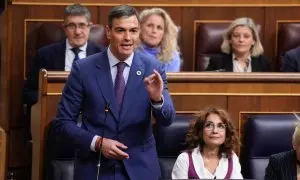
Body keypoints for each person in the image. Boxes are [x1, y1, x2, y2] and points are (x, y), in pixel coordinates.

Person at [51, 4, 176, 180]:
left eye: (133, 31)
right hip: (96, 168)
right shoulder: (84, 69)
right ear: (108, 32)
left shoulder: (152, 68)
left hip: (139, 169)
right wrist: (98, 143)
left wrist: (157, 99)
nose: (127, 38)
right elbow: (63, 123)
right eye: (120, 30)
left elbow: (167, 119)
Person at [24, 3, 102, 106]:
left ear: (89, 27)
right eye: (71, 26)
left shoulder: (102, 55)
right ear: (64, 28)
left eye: (82, 25)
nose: (77, 31)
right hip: (56, 112)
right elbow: (30, 92)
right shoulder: (45, 55)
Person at [172, 107, 243, 179]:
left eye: (220, 126)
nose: (215, 131)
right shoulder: (184, 159)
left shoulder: (232, 158)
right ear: (200, 131)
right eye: (209, 125)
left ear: (226, 133)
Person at [205, 17, 271, 72]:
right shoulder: (217, 62)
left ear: (253, 41)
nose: (241, 40)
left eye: (246, 36)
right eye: (236, 36)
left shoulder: (263, 63)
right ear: (230, 39)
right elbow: (205, 85)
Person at [139, 8, 181, 72]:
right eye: (150, 25)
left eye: (159, 28)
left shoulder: (172, 56)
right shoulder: (129, 52)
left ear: (165, 33)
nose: (154, 31)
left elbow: (170, 81)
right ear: (140, 28)